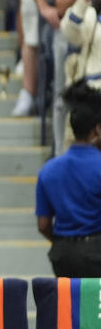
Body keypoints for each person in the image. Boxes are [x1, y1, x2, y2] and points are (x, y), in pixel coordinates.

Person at [35, 81, 101, 276]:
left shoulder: (48, 170)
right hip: (96, 252)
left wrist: (64, 242)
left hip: (62, 256)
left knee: (70, 306)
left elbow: (43, 225)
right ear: (97, 129)